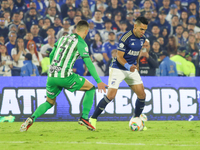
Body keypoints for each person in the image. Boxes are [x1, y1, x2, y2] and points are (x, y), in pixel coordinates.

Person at [20, 20, 108, 132]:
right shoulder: (81, 43)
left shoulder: (63, 38)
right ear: (86, 31)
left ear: (76, 29)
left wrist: (54, 68)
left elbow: (52, 54)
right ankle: (84, 117)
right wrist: (98, 80)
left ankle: (31, 118)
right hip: (65, 76)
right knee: (90, 88)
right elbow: (89, 62)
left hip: (51, 75)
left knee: (49, 102)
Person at [89, 17, 148, 130]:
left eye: (145, 30)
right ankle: (93, 119)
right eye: (141, 29)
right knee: (110, 96)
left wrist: (137, 65)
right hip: (118, 68)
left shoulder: (143, 38)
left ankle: (136, 119)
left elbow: (138, 52)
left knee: (142, 95)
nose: (143, 32)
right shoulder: (125, 37)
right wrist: (128, 66)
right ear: (135, 26)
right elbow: (119, 57)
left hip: (131, 69)